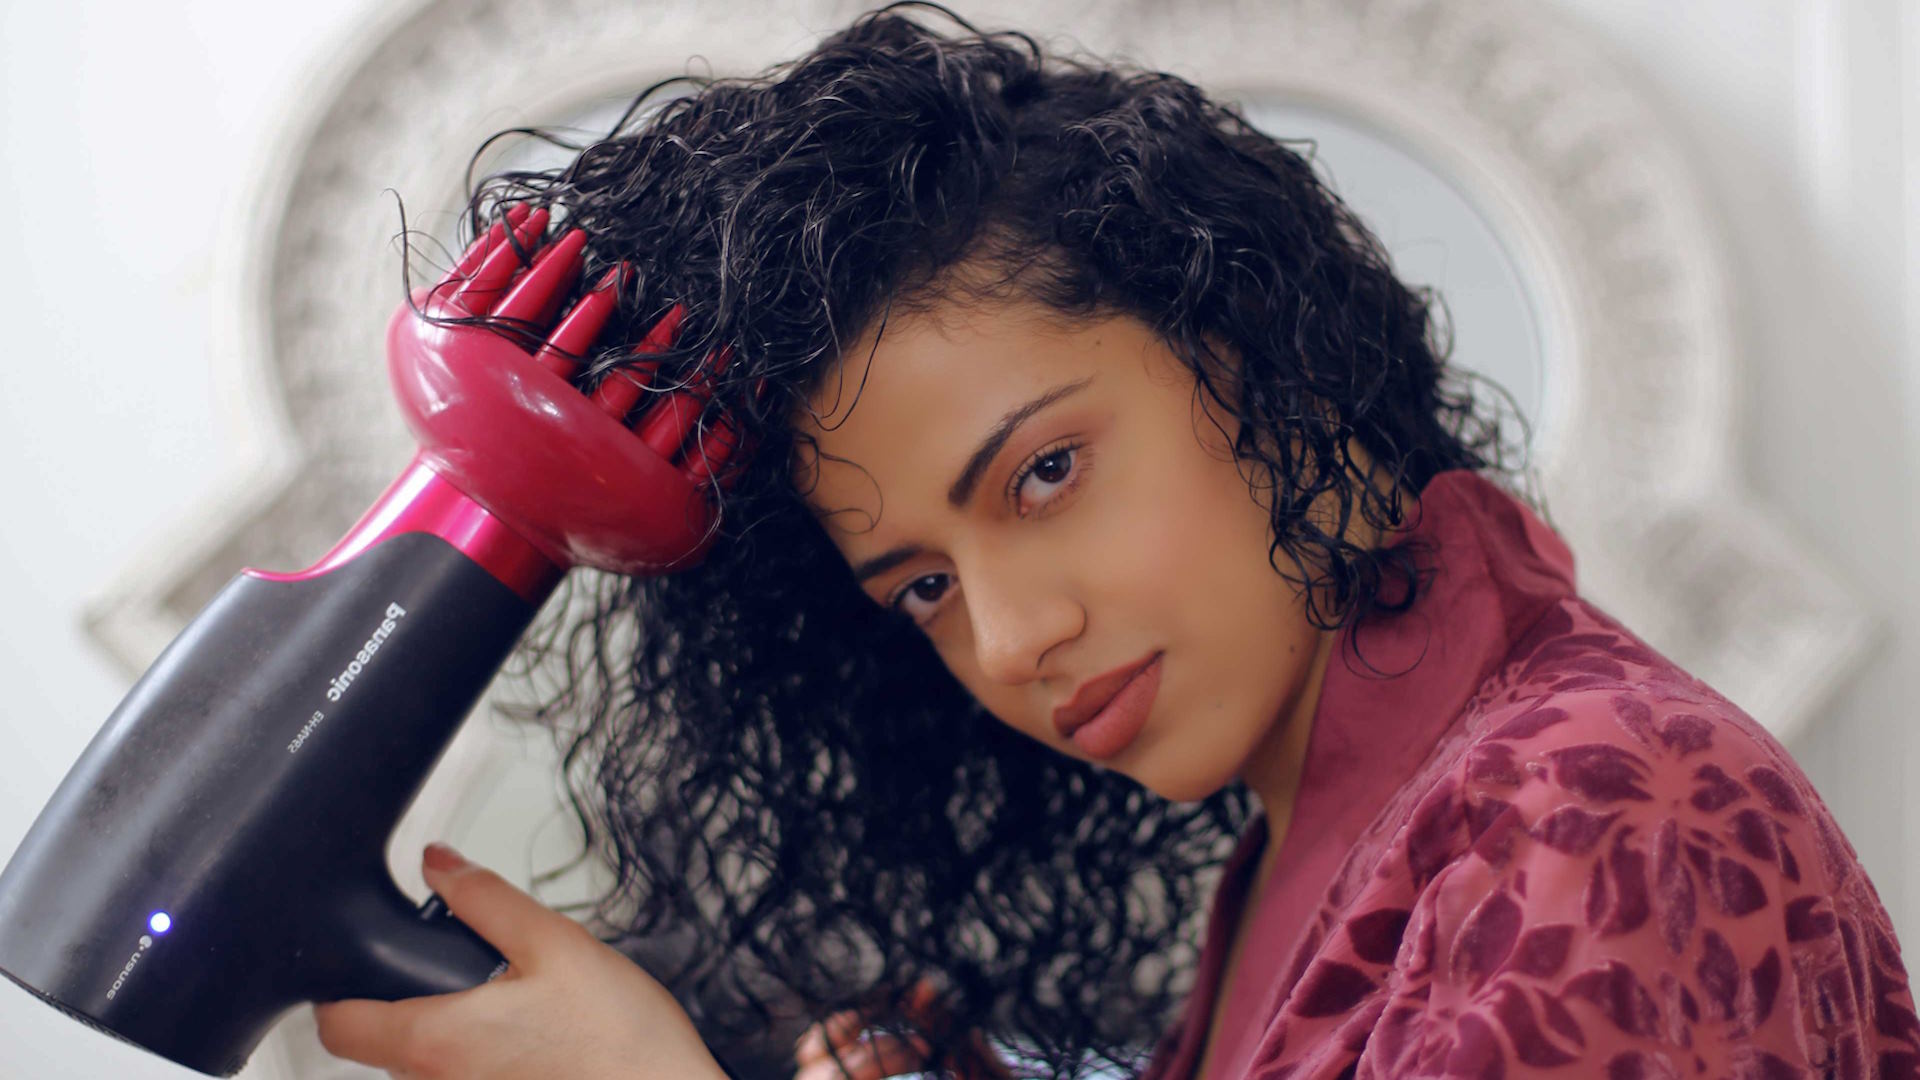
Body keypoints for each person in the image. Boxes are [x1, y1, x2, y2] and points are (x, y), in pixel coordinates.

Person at [313, 4, 1919, 1078]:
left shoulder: (1601, 812)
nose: (1007, 644)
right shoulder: (1320, 846)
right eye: (924, 590)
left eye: (1045, 472)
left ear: (1266, 355)